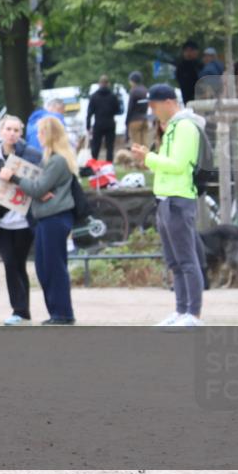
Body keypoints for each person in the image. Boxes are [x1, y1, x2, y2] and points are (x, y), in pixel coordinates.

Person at [131, 84, 207, 327]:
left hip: (179, 199)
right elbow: (168, 164)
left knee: (186, 259)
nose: (151, 111)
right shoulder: (172, 127)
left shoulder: (184, 126)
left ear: (168, 102)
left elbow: (177, 164)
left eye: (153, 105)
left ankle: (193, 314)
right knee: (174, 260)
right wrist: (150, 158)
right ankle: (181, 309)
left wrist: (148, 158)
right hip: (165, 199)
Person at [0, 116, 77, 325]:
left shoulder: (57, 160)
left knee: (54, 268)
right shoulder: (49, 159)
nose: (38, 136)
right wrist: (36, 187)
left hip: (55, 218)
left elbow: (37, 188)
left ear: (49, 134)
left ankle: (63, 314)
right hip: (45, 218)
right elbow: (39, 186)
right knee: (44, 268)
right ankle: (56, 313)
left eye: (41, 132)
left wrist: (13, 177)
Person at [0, 115, 42, 326]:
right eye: (8, 129)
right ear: (1, 131)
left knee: (19, 264)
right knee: (9, 264)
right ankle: (20, 311)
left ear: (21, 133)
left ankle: (22, 311)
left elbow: (39, 182)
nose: (12, 134)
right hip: (1, 221)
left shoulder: (32, 155)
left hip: (24, 220)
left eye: (16, 130)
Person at [87, 75, 120, 162]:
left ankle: (94, 163)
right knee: (110, 146)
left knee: (96, 146)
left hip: (98, 123)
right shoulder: (113, 96)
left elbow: (89, 113)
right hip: (110, 122)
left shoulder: (94, 96)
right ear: (108, 84)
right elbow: (118, 110)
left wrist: (88, 126)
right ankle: (109, 164)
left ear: (99, 84)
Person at [126, 71, 150, 148]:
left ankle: (138, 160)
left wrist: (127, 120)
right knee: (145, 144)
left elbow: (130, 107)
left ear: (132, 81)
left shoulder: (133, 91)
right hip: (144, 118)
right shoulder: (145, 90)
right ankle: (146, 159)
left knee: (137, 145)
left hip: (135, 119)